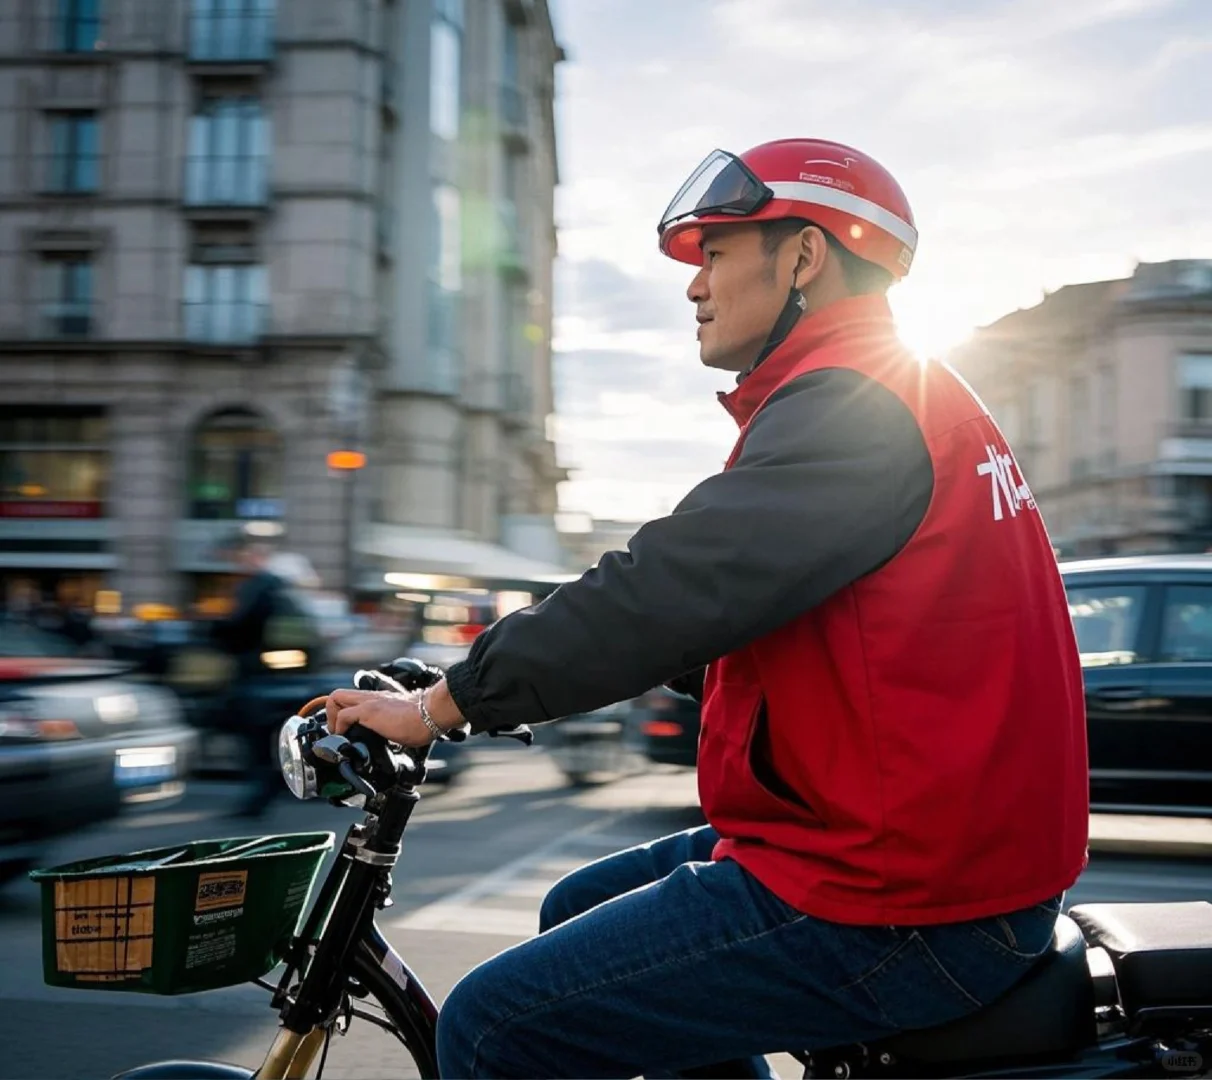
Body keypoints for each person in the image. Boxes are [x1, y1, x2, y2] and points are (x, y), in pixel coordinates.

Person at [325, 138, 1090, 1077]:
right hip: (906, 848)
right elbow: (751, 626)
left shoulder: (854, 407)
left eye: (717, 253)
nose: (695, 285)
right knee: (576, 908)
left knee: (492, 1025)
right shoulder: (891, 395)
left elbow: (666, 590)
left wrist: (445, 705)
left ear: (804, 256)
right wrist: (552, 679)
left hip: (904, 896)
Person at [212, 531, 316, 817]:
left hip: (258, 679)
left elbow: (238, 628)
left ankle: (262, 792)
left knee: (255, 739)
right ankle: (276, 784)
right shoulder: (286, 591)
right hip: (286, 679)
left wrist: (213, 632)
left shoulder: (258, 588)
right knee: (274, 735)